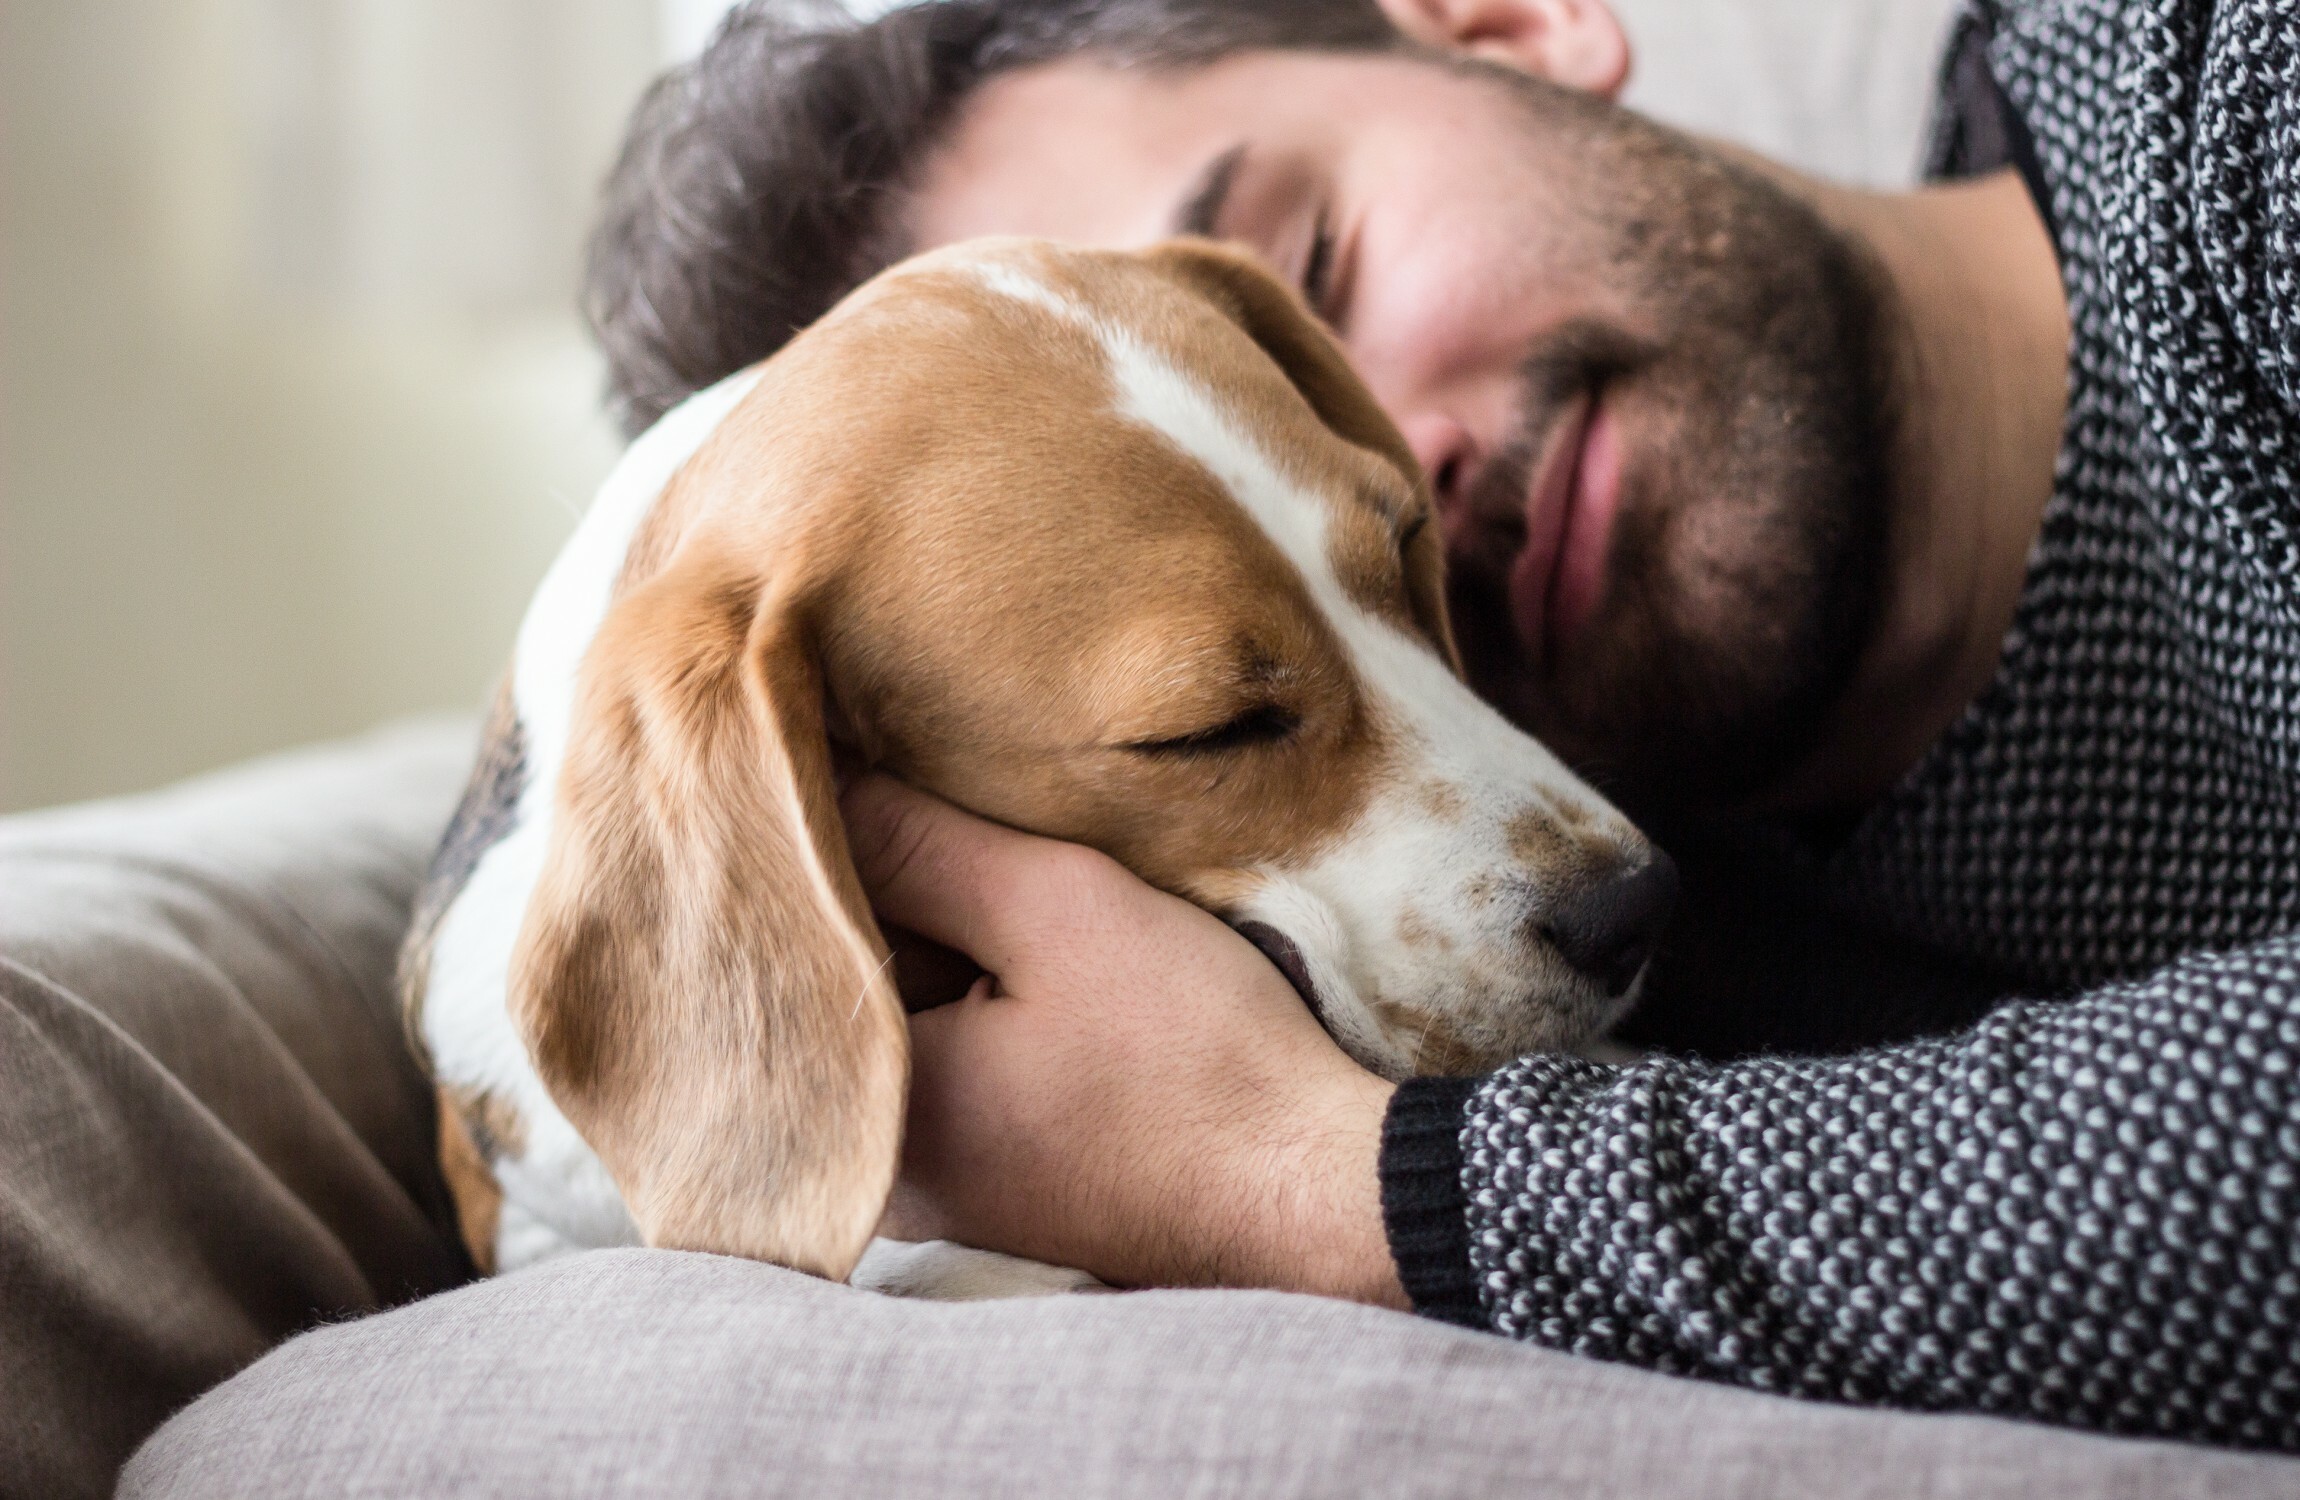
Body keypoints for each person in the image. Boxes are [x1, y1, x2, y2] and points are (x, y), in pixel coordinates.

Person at [582, 0, 2300, 1450]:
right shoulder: (1629, 943)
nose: (1390, 464)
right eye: (1203, 707)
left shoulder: (2233, 97)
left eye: (1302, 283)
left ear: (1499, 16)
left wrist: (1326, 1185)